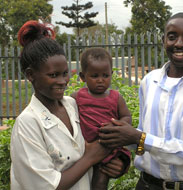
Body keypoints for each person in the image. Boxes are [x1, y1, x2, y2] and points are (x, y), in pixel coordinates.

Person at [98, 12, 183, 190]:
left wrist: (139, 138)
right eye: (172, 37)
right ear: (163, 40)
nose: (179, 43)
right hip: (146, 185)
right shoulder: (149, 81)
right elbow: (143, 136)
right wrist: (122, 138)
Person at [10, 20, 126, 190]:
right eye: (53, 75)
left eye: (65, 73)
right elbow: (46, 186)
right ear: (30, 75)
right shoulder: (28, 124)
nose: (62, 81)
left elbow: (94, 140)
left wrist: (117, 164)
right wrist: (90, 158)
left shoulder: (73, 105)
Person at [71, 47, 132, 190]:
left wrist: (118, 125)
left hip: (108, 147)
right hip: (84, 149)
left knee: (100, 181)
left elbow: (126, 116)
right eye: (94, 76)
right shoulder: (76, 97)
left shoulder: (116, 98)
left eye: (105, 76)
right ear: (83, 76)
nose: (100, 80)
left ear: (111, 74)